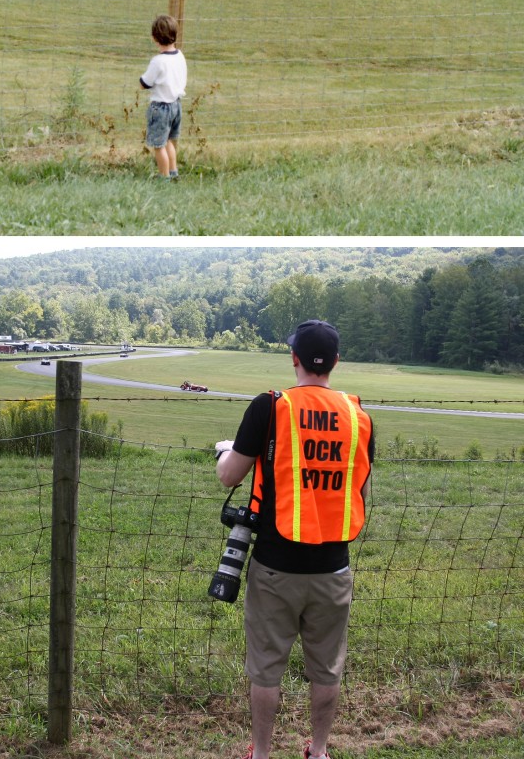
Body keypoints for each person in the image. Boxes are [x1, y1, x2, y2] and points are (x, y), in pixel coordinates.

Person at [215, 320, 374, 759]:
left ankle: (262, 754)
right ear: (336, 362)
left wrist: (225, 451)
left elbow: (230, 474)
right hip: (334, 567)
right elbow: (359, 488)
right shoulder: (358, 416)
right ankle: (319, 751)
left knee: (266, 670)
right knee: (327, 669)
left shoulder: (271, 405)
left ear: (294, 359)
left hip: (274, 566)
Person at [139, 13, 187, 179]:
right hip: (176, 104)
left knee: (159, 145)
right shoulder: (180, 56)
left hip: (161, 107)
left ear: (154, 38)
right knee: (169, 141)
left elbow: (145, 82)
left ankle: (164, 177)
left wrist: (141, 83)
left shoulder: (158, 61)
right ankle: (173, 172)